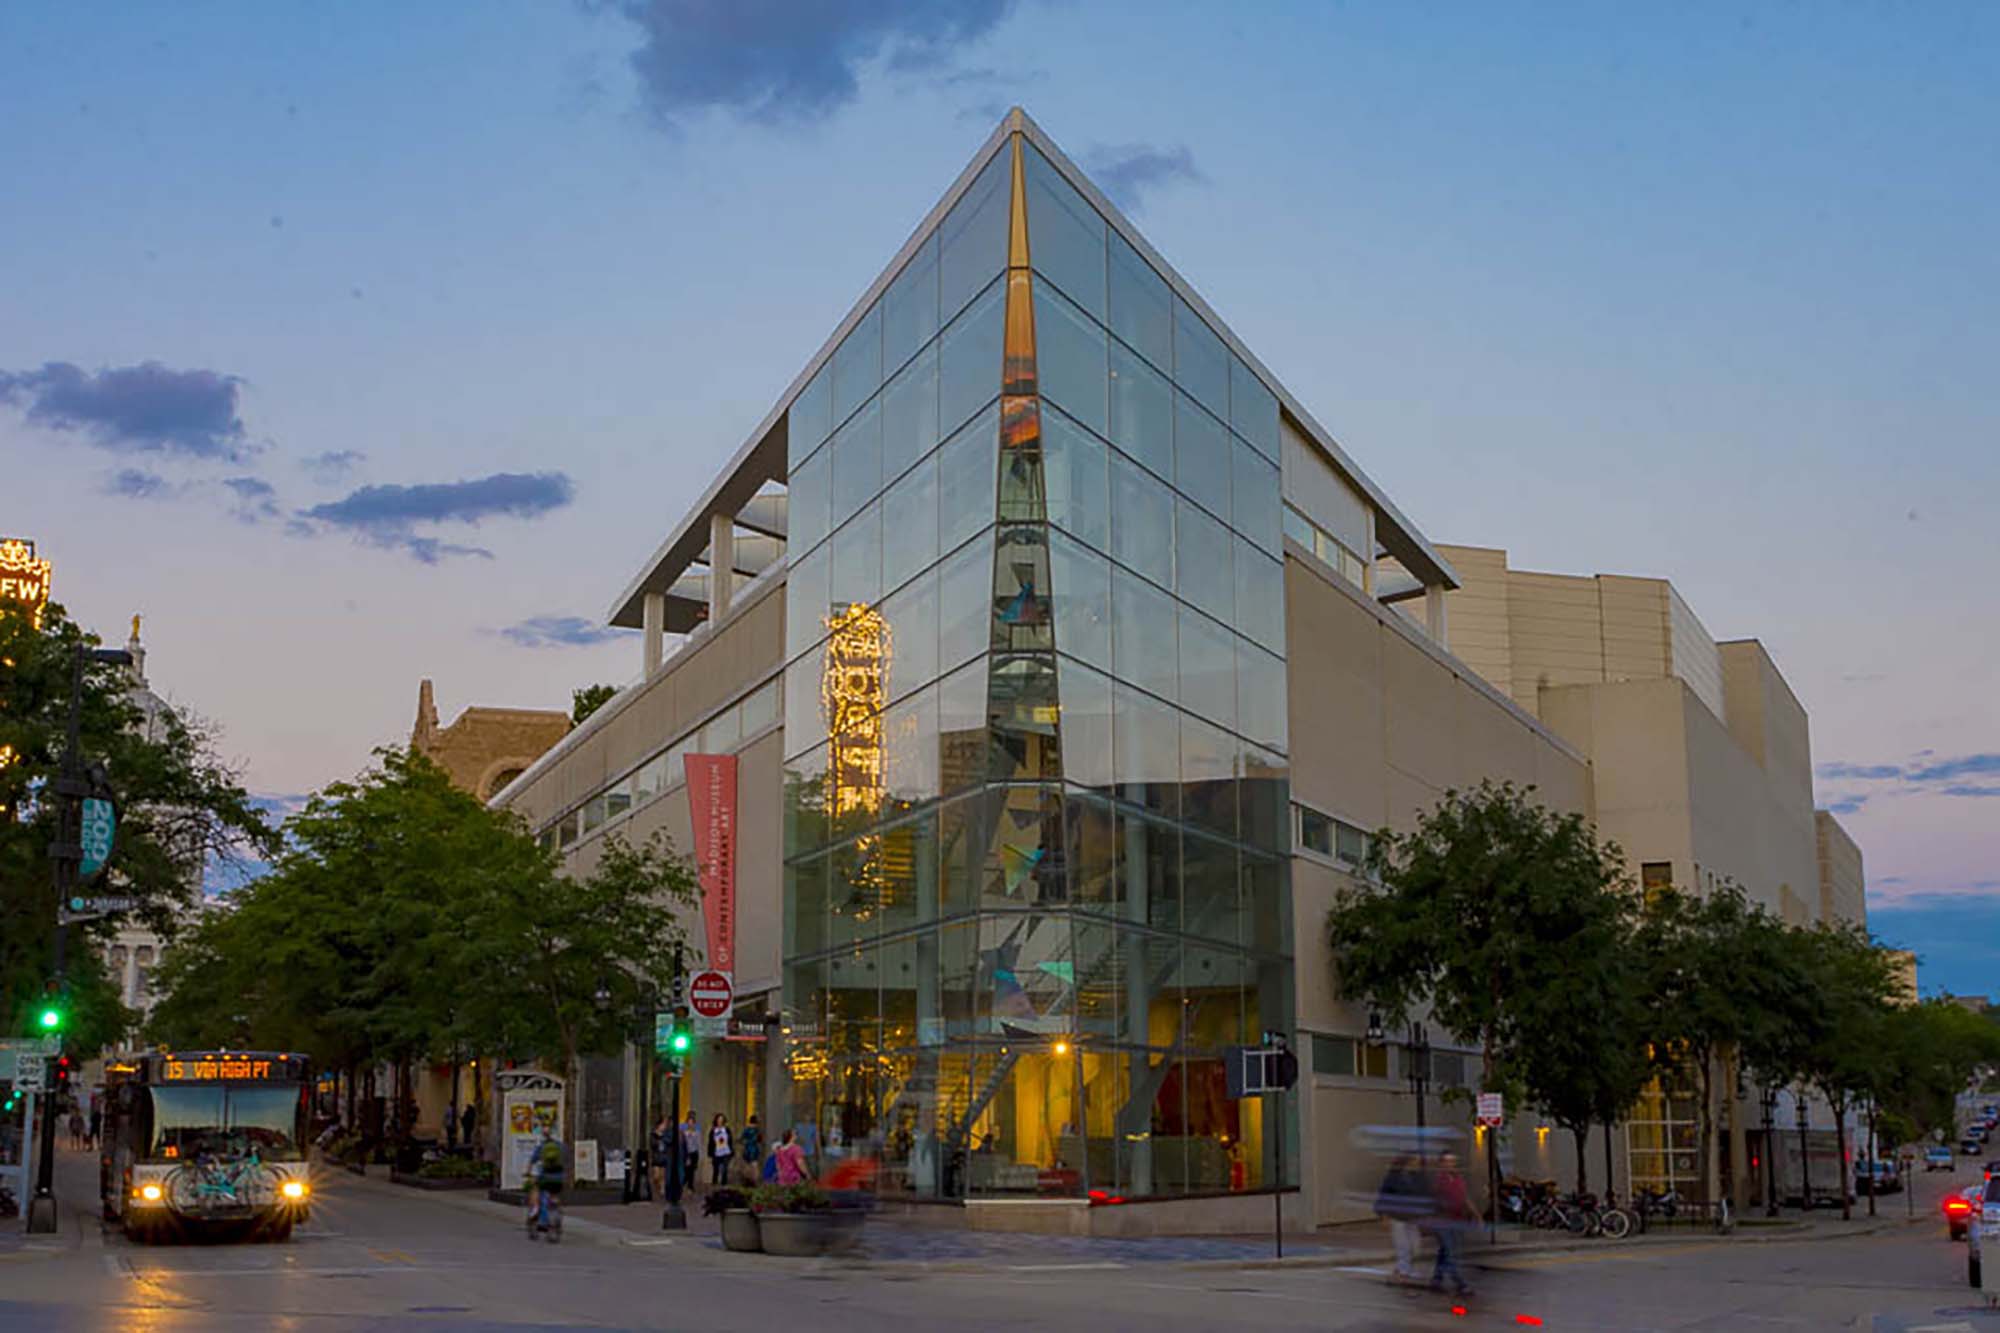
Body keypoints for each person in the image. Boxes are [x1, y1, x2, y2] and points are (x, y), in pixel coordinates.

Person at [1374, 1153, 1428, 1284]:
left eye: (1419, 1162)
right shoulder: (1394, 1176)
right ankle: (1404, 1270)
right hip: (1397, 1215)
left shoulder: (1418, 1177)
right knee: (1402, 1244)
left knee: (1416, 1245)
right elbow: (1384, 1194)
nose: (1417, 1165)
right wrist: (1383, 1214)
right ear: (1407, 1162)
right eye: (1415, 1162)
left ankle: (1403, 1268)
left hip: (1412, 1216)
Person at [1427, 1151, 1474, 1297]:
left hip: (1457, 1221)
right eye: (1447, 1161)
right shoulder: (1438, 1180)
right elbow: (1433, 1201)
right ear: (1441, 1164)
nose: (1450, 1164)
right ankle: (1460, 1283)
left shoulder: (1458, 1178)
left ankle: (1436, 1279)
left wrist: (1475, 1213)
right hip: (1443, 1222)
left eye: (1452, 1161)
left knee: (1444, 1252)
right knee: (1451, 1252)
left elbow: (1464, 1197)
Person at [527, 1137, 565, 1238]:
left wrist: (528, 1172)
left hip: (545, 1177)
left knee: (536, 1189)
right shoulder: (560, 1146)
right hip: (558, 1177)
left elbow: (532, 1161)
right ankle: (557, 1217)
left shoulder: (541, 1147)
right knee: (554, 1195)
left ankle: (534, 1212)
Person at [650, 1113, 675, 1199]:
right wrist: (658, 1140)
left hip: (664, 1157)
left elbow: (670, 1142)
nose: (664, 1126)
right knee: (656, 1176)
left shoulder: (666, 1134)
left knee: (663, 1176)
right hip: (657, 1157)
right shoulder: (654, 1134)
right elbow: (652, 1144)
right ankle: (657, 1186)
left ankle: (662, 1190)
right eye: (663, 1124)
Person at [680, 1110, 701, 1194]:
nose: (690, 1124)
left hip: (694, 1152)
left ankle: (690, 1186)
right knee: (686, 1170)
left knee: (692, 1170)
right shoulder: (684, 1132)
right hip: (686, 1153)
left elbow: (698, 1143)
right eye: (689, 1122)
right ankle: (683, 1184)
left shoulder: (697, 1132)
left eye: (692, 1122)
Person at [709, 1114, 733, 1186]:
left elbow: (730, 1140)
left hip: (726, 1151)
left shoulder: (726, 1129)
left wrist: (731, 1150)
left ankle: (724, 1185)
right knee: (716, 1170)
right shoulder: (713, 1130)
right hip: (716, 1152)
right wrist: (710, 1152)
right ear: (716, 1120)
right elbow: (710, 1142)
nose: (720, 1121)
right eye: (718, 1120)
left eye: (721, 1120)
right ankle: (714, 1184)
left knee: (724, 1169)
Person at [739, 1114, 763, 1185]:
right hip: (753, 1149)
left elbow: (742, 1139)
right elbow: (759, 1139)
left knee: (749, 1166)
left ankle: (748, 1180)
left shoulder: (747, 1129)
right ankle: (753, 1180)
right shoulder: (756, 1130)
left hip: (748, 1149)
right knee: (754, 1166)